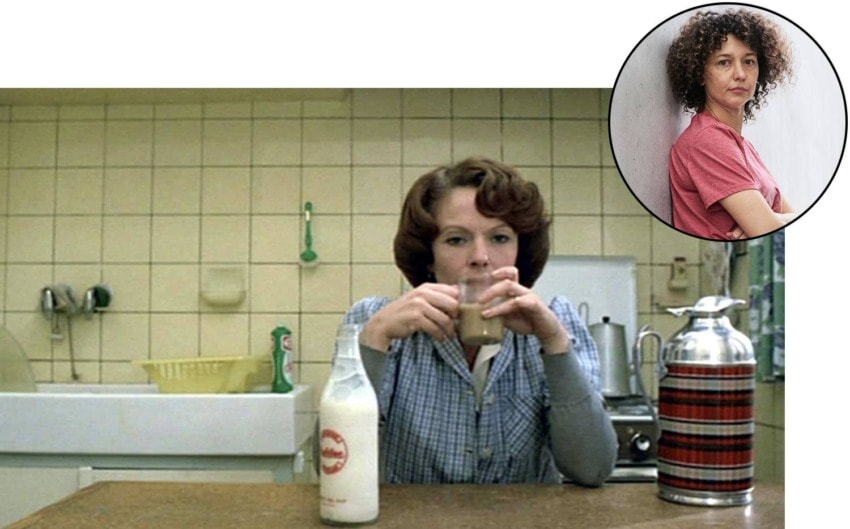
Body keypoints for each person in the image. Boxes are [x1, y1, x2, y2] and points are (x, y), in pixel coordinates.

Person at [341, 156, 617, 486]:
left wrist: (555, 343)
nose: (481, 257)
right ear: (429, 256)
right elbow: (336, 466)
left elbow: (592, 469)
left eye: (500, 238)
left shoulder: (555, 324)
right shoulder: (374, 322)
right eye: (456, 239)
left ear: (520, 250)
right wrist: (374, 340)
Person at [667, 8, 796, 240]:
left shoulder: (742, 146)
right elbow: (768, 231)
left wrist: (773, 220)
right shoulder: (707, 141)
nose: (740, 74)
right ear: (700, 74)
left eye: (749, 61)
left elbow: (788, 219)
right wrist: (768, 221)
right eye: (724, 62)